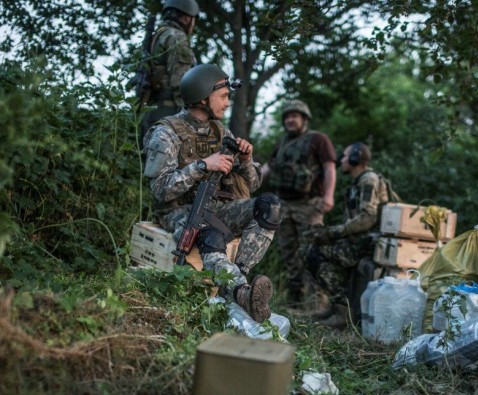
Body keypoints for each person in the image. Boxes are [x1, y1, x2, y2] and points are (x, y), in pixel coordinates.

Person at [143, 64, 281, 322]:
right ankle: (241, 292)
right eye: (224, 96)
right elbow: (160, 190)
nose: (228, 103)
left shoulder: (220, 131)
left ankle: (238, 278)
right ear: (203, 98)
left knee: (269, 206)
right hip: (180, 210)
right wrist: (204, 165)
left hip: (216, 205)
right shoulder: (166, 132)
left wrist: (247, 160)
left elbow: (252, 186)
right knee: (211, 235)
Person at [302, 142, 391, 328]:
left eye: (345, 156)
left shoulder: (368, 180)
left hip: (367, 244)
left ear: (355, 159)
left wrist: (335, 232)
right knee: (316, 246)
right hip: (358, 242)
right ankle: (337, 306)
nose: (341, 160)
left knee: (313, 254)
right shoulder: (359, 182)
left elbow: (367, 218)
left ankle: (342, 310)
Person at [261, 100, 337, 308]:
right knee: (289, 254)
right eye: (287, 117)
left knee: (313, 253)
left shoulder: (318, 140)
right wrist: (251, 181)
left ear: (304, 119)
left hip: (309, 206)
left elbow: (329, 167)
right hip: (284, 205)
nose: (290, 120)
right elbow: (268, 167)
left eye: (294, 116)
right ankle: (296, 303)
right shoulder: (283, 143)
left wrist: (329, 196)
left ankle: (318, 306)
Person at [139, 0, 199, 142]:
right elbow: (182, 82)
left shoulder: (158, 35)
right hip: (169, 112)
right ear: (186, 17)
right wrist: (190, 117)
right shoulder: (176, 37)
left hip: (152, 110)